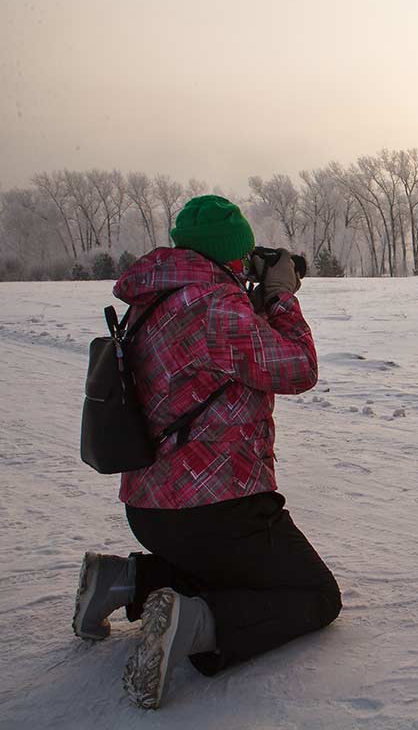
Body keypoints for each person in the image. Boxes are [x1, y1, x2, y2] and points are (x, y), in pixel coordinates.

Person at [70, 194, 341, 709]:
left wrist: (252, 296)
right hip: (217, 508)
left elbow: (219, 349)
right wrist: (281, 295)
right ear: (228, 257)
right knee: (313, 595)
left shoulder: (158, 299)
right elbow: (297, 369)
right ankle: (194, 626)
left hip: (150, 510)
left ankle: (125, 580)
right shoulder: (213, 308)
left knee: (225, 570)